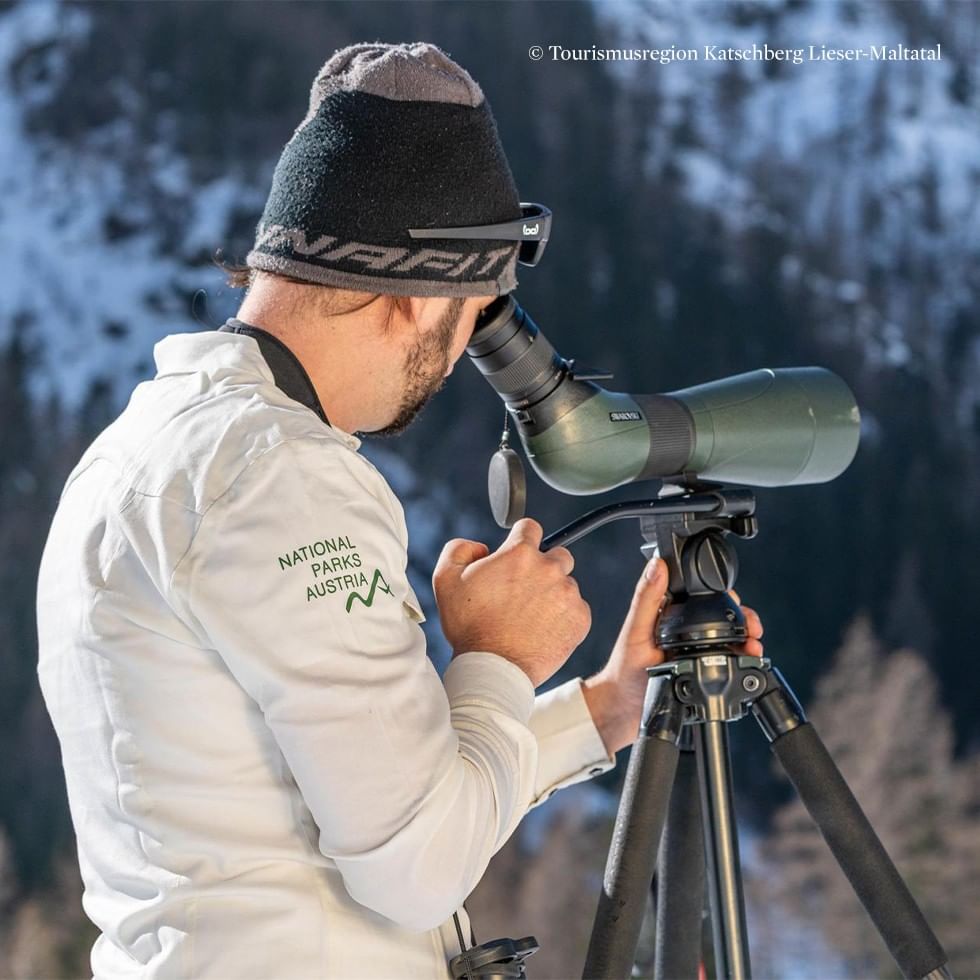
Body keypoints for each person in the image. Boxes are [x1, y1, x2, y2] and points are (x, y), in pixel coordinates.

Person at [36, 42, 764, 979]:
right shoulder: (281, 477)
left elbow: (385, 798)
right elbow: (415, 866)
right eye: (475, 317)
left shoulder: (141, 449)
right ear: (426, 299)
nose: (469, 349)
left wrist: (603, 710)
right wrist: (500, 656)